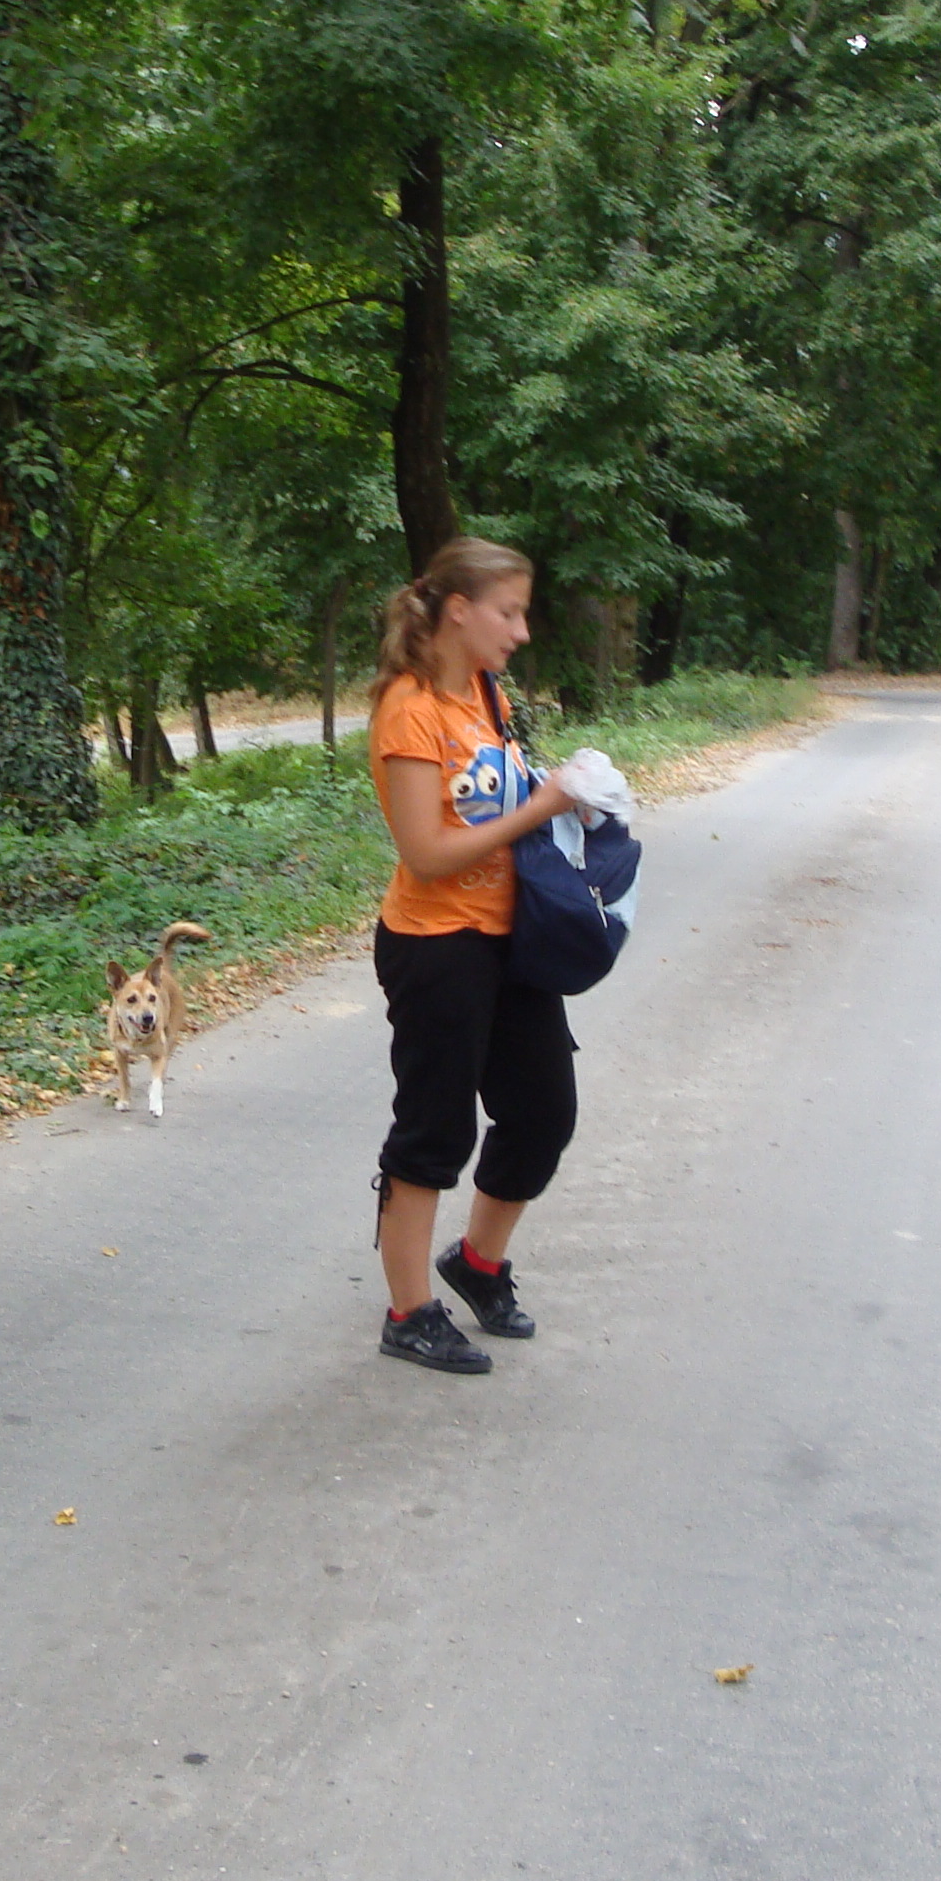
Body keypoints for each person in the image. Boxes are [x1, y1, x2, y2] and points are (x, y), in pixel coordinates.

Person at [364, 536, 580, 1374]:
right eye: (509, 613)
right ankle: (409, 1312)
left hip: (508, 938)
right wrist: (540, 808)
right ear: (459, 611)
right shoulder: (410, 710)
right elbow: (426, 853)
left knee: (543, 1113)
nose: (521, 631)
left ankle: (479, 1263)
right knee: (436, 1129)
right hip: (435, 947)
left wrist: (569, 802)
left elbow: (498, 803)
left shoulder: (487, 693)